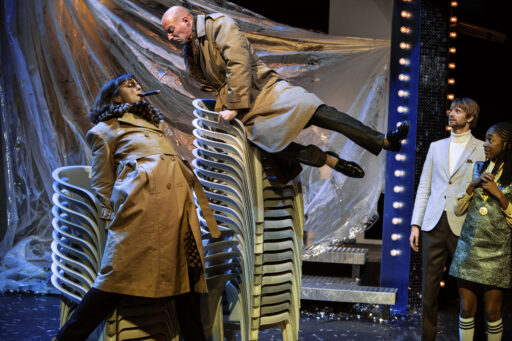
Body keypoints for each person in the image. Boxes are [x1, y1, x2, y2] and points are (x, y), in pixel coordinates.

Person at [52, 74, 219, 341]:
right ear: (115, 98)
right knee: (115, 278)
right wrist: (114, 216)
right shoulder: (106, 130)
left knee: (188, 278)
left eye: (138, 84)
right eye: (130, 86)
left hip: (179, 208)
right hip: (141, 210)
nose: (138, 87)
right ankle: (66, 338)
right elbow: (102, 182)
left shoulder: (154, 126)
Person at [160, 6, 409, 180]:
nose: (171, 37)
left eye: (171, 29)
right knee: (269, 145)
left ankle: (384, 141)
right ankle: (327, 160)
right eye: (168, 34)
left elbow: (238, 63)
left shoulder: (218, 25)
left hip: (263, 89)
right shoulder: (190, 51)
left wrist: (235, 105)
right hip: (243, 106)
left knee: (316, 110)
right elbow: (211, 82)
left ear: (186, 20)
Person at [409, 98, 485, 341]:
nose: (452, 114)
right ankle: (427, 337)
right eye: (452, 110)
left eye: (458, 111)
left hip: (463, 224)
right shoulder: (436, 146)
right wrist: (415, 224)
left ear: (470, 118)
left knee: (468, 288)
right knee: (429, 290)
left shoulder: (482, 148)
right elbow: (424, 187)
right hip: (434, 223)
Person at [449, 122, 512, 341]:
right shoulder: (476, 168)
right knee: (466, 309)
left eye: (491, 139)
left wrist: (499, 195)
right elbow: (458, 209)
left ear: (506, 144)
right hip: (469, 249)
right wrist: (472, 185)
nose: (485, 144)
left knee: (493, 312)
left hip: (497, 252)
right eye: (485, 138)